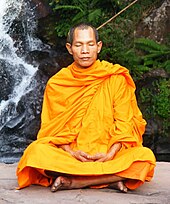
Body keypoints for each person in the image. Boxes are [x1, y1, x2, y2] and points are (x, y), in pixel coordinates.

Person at [16, 23, 156, 193]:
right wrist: (71, 152)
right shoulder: (58, 83)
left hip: (108, 154)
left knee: (144, 157)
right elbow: (52, 130)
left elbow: (125, 122)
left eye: (90, 44)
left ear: (99, 47)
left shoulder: (115, 78)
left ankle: (75, 182)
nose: (85, 51)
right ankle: (110, 179)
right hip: (71, 155)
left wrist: (110, 154)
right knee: (35, 153)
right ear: (69, 48)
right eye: (79, 45)